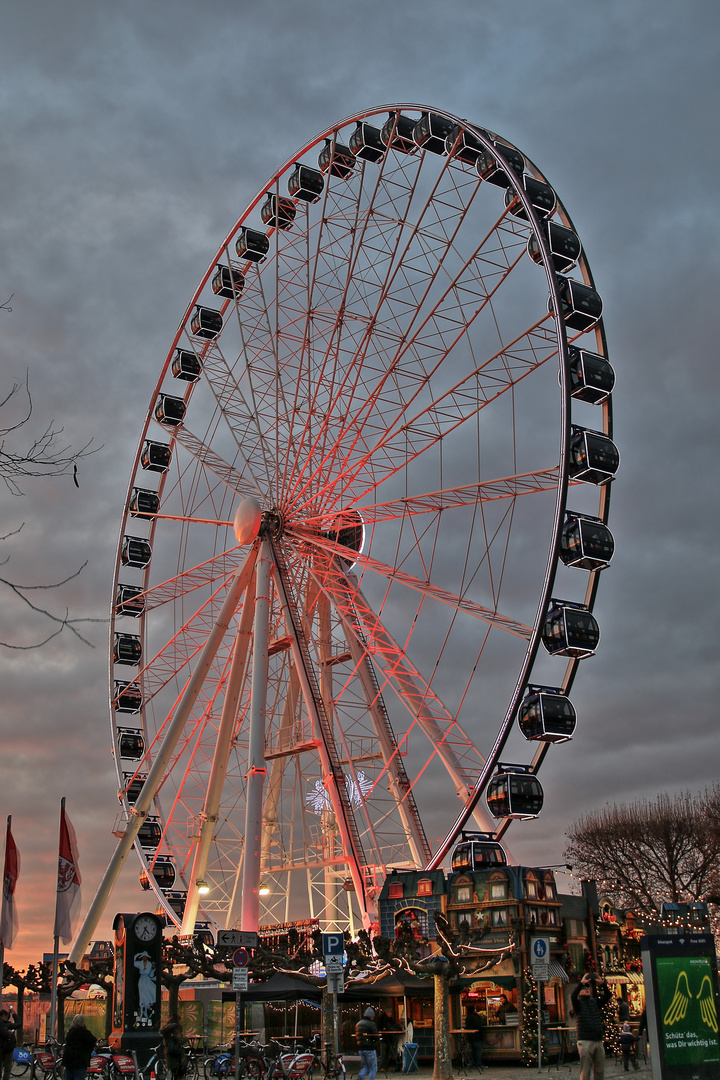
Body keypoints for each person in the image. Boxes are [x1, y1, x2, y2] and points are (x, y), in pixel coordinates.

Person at [571, 974, 611, 1080]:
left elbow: (607, 996)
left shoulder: (595, 1002)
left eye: (588, 987)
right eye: (584, 988)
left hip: (597, 1040)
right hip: (585, 1040)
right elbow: (572, 996)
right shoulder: (578, 1004)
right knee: (585, 1071)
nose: (587, 989)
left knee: (599, 1070)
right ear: (580, 992)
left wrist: (602, 984)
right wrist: (581, 984)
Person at [62, 1014, 97, 1080]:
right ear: (83, 1022)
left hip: (69, 1060)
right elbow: (93, 1041)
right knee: (78, 1077)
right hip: (80, 1060)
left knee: (68, 1077)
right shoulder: (84, 1033)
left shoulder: (70, 1032)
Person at [355, 1007, 379, 1080]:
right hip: (369, 1048)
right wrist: (376, 1042)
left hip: (361, 1048)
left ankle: (360, 1077)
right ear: (372, 1016)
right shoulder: (371, 1024)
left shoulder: (358, 1024)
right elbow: (376, 1036)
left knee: (366, 1066)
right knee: (373, 1068)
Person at [160, 1014, 186, 1080]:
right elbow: (179, 1040)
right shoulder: (175, 1028)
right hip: (175, 1052)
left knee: (171, 1071)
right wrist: (186, 1038)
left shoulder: (166, 1029)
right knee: (179, 1070)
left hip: (168, 1051)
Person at [0, 1009, 20, 1080]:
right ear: (3, 1016)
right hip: (7, 1049)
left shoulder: (3, 1023)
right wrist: (14, 1015)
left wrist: (8, 1014)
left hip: (3, 1048)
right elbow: (18, 1024)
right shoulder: (4, 1025)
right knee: (7, 1068)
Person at [464, 1004, 484, 1070]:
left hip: (470, 1036)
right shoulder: (476, 1017)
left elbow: (467, 1026)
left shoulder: (468, 1017)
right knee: (478, 1050)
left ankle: (473, 1062)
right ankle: (479, 1064)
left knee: (473, 1050)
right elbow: (480, 1025)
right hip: (477, 1036)